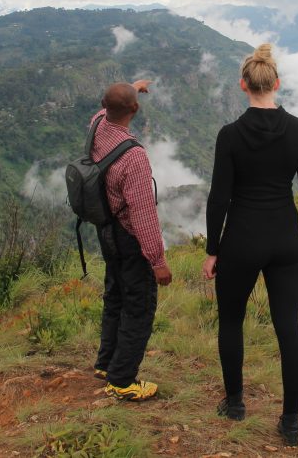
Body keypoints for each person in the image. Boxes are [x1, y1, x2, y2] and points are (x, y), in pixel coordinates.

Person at [202, 44, 298, 447]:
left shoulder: (230, 135)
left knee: (232, 320)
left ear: (243, 85)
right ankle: (291, 422)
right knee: (289, 327)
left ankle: (235, 404)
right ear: (277, 84)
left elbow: (219, 197)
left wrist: (212, 249)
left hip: (242, 239)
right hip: (286, 237)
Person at [89, 79, 173, 401]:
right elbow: (143, 214)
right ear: (135, 111)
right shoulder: (134, 157)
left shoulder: (97, 125)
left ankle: (106, 362)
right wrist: (158, 261)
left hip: (105, 230)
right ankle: (122, 380)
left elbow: (107, 105)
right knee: (138, 306)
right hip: (128, 237)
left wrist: (131, 88)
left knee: (115, 295)